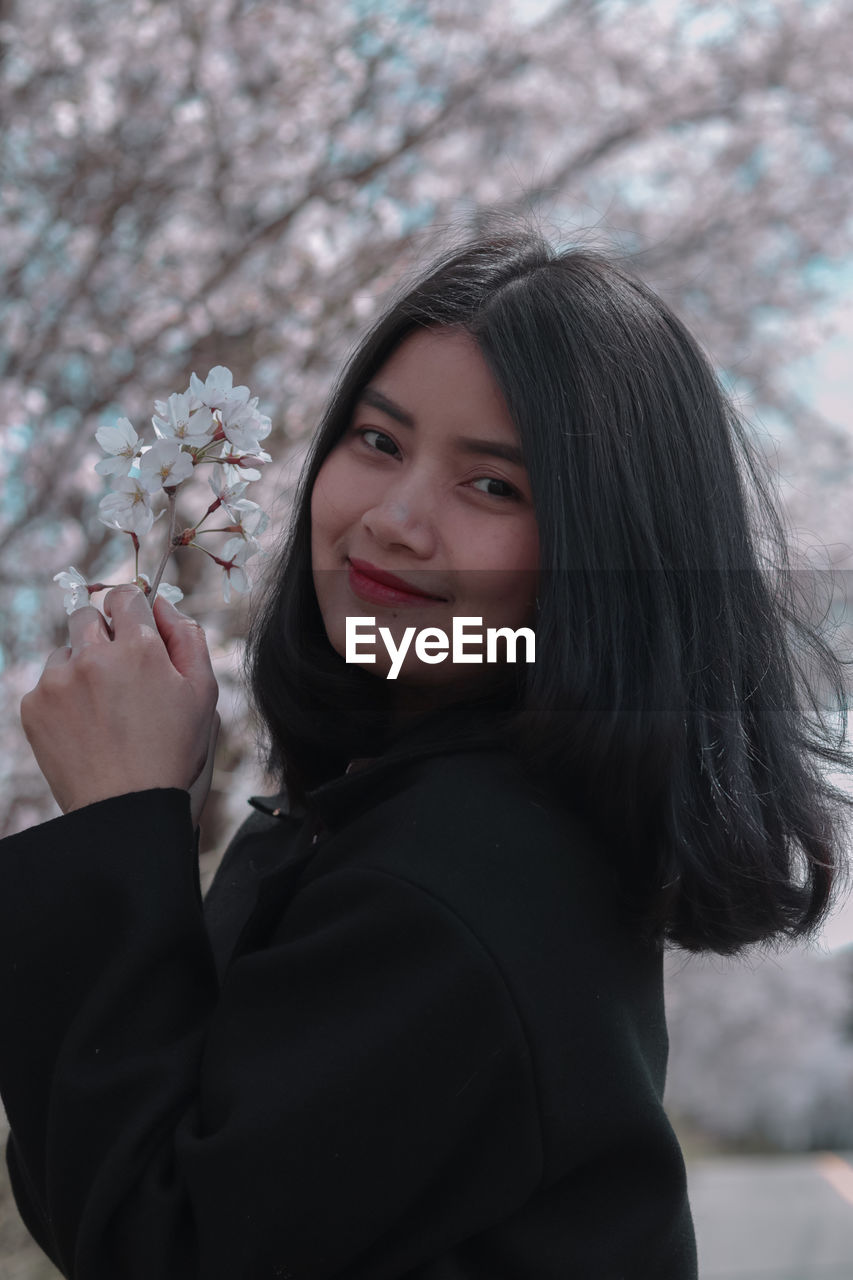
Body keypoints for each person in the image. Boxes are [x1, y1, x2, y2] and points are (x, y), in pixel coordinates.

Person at [0, 229, 850, 1280]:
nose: (395, 520)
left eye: (493, 487)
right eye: (377, 441)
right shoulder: (413, 821)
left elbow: (156, 1242)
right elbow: (96, 1174)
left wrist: (120, 818)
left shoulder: (464, 877)